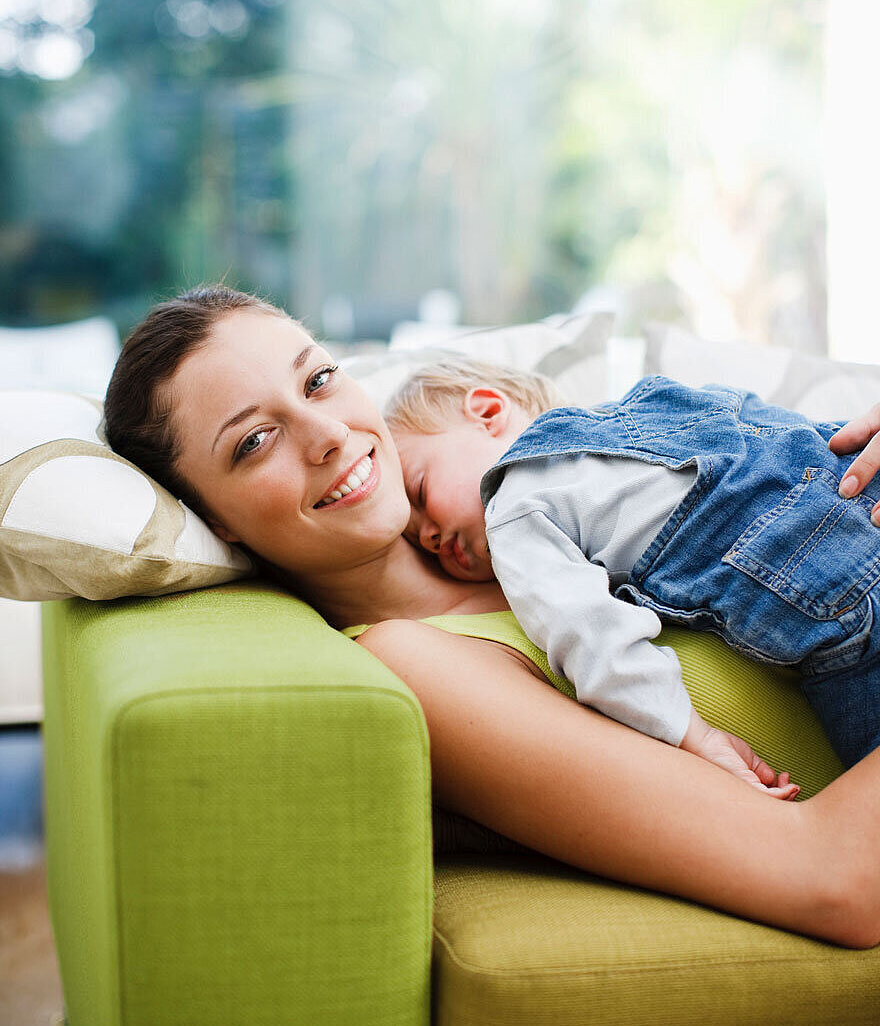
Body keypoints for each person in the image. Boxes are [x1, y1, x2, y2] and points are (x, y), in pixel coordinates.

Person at [104, 284, 880, 948]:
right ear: (215, 520)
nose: (330, 434)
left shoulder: (561, 501)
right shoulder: (418, 662)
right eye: (254, 441)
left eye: (318, 380)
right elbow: (832, 879)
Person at [385, 359, 880, 780]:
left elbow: (590, 638)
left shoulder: (512, 508)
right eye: (415, 537)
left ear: (489, 413)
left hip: (842, 609)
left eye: (419, 492)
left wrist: (691, 733)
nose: (427, 536)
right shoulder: (657, 401)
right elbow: (790, 430)